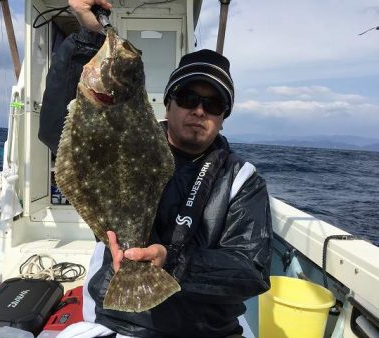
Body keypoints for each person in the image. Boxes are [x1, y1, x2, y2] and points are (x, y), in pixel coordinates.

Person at [53, 1, 273, 337]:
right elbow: (57, 130)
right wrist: (87, 36)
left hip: (207, 330)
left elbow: (251, 271)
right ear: (168, 102)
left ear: (223, 117)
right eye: (187, 98)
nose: (199, 111)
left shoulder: (243, 180)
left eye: (213, 104)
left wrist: (173, 260)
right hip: (116, 321)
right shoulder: (120, 133)